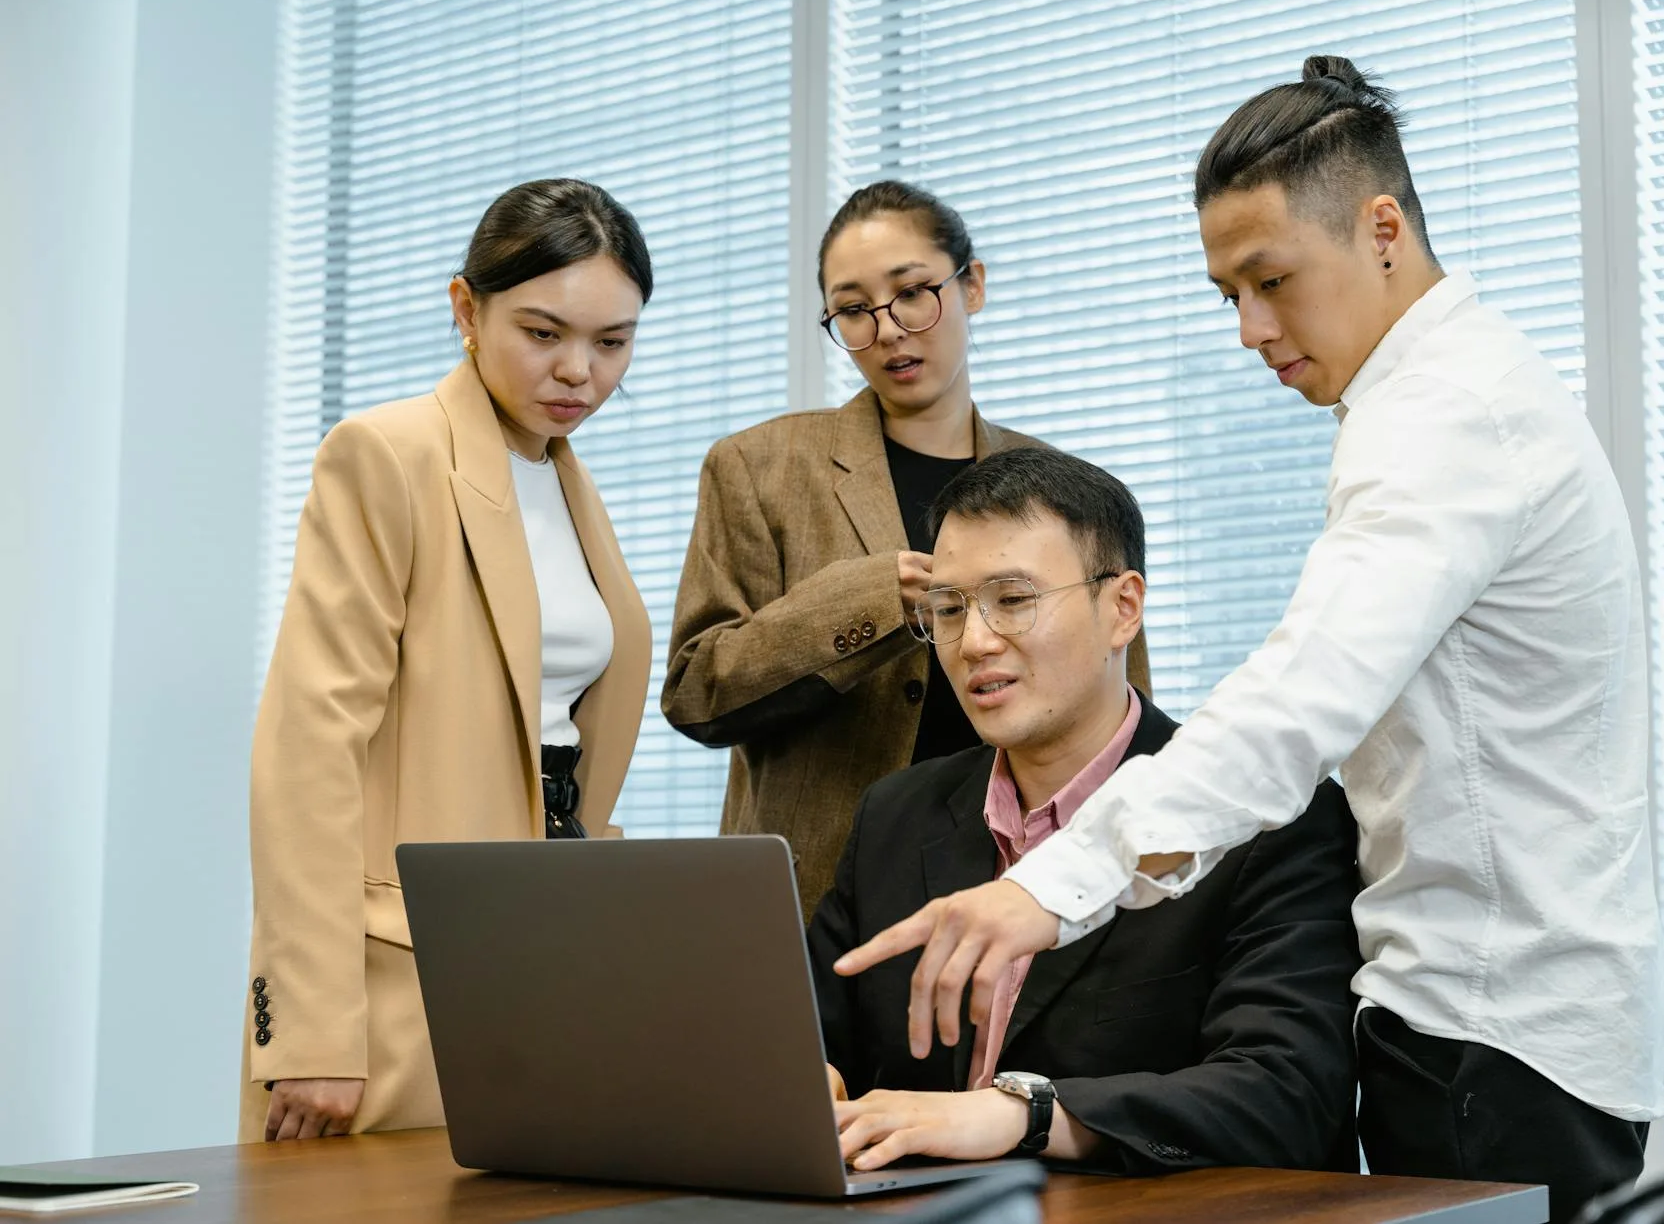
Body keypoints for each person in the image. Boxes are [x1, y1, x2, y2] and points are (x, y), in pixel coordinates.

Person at [836, 57, 1664, 1222]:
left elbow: (1295, 699)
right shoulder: (1427, 400)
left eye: (1270, 279)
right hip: (1500, 1016)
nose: (1247, 328)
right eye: (1227, 291)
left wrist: (1046, 887)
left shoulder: (1444, 419)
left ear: (1381, 227)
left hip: (1492, 1028)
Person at [809, 447, 1360, 1175]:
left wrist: (1022, 1114)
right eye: (947, 609)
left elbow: (1287, 1094)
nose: (974, 641)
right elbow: (806, 1031)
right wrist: (803, 1078)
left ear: (1121, 608)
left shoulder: (1260, 816)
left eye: (1012, 599)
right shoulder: (897, 811)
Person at [242, 178, 656, 1142]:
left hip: (545, 947)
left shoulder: (566, 479)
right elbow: (308, 747)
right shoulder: (388, 453)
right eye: (543, 332)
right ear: (466, 309)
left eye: (612, 342)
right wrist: (311, 1026)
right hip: (401, 969)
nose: (579, 372)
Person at [663, 181, 1148, 918]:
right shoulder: (758, 468)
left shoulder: (1065, 489)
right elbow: (697, 693)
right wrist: (862, 602)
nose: (888, 330)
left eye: (913, 293)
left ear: (972, 284)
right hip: (818, 895)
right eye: (853, 310)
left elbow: (1122, 694)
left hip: (1031, 882)